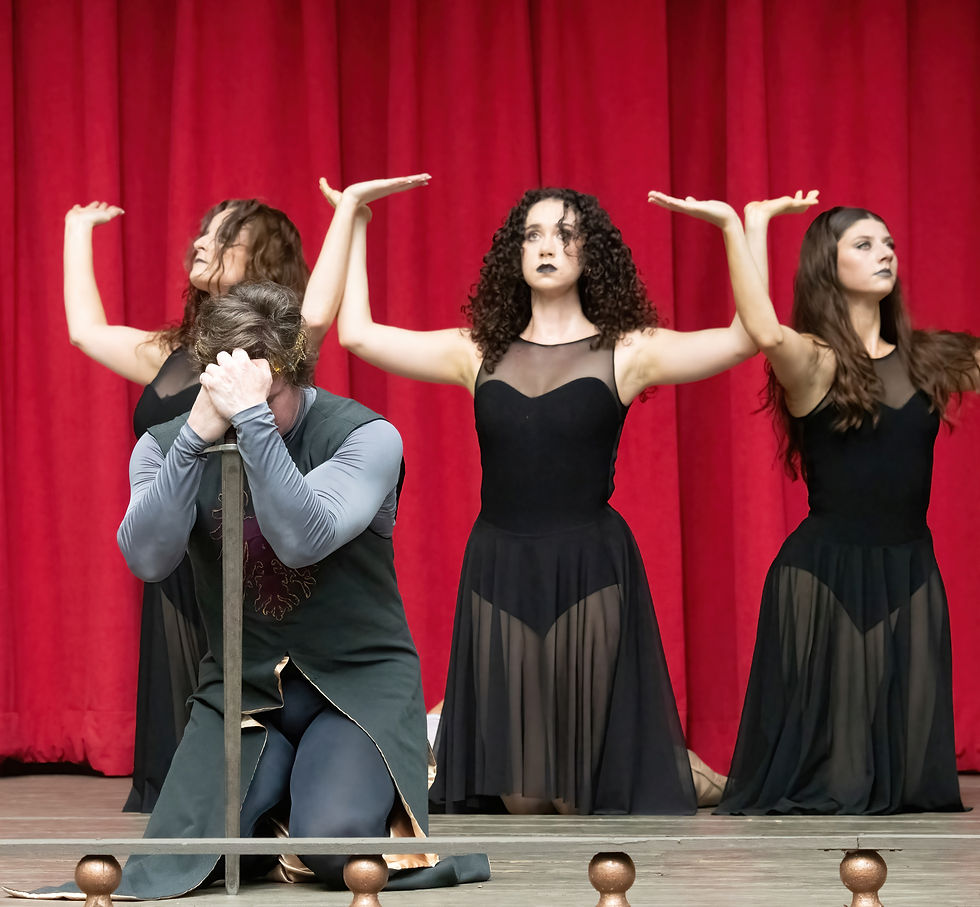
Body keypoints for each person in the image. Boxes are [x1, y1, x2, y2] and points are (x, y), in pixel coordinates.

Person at [16, 281, 489, 898]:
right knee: (184, 862)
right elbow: (147, 559)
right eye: (232, 392)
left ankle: (334, 818)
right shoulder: (164, 446)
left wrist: (253, 422)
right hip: (240, 691)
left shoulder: (365, 435)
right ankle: (277, 808)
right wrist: (193, 439)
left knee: (338, 854)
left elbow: (302, 539)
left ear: (296, 374)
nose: (247, 409)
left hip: (356, 688)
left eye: (266, 396)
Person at [334, 185, 768, 814]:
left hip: (589, 568)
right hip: (499, 567)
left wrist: (733, 227)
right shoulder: (475, 351)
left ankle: (705, 780)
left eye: (565, 235)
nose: (547, 246)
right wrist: (354, 219)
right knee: (523, 801)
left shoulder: (628, 350)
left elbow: (748, 337)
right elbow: (357, 335)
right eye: (533, 235)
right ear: (515, 254)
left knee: (581, 795)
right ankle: (688, 772)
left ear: (590, 255)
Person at [63, 176, 428, 811]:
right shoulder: (172, 378)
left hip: (303, 599)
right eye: (204, 232)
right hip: (202, 575)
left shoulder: (322, 383)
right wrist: (74, 229)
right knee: (195, 825)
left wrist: (348, 212)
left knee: (331, 832)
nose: (203, 243)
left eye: (226, 237)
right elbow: (86, 335)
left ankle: (334, 782)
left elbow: (301, 539)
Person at [650, 190, 977, 814]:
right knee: (829, 780)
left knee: (905, 788)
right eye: (865, 244)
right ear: (830, 264)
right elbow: (762, 330)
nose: (885, 253)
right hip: (824, 574)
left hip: (911, 571)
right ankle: (689, 778)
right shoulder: (814, 360)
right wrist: (744, 224)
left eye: (888, 244)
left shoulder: (930, 359)